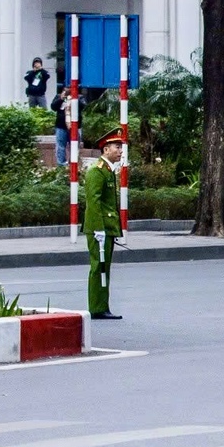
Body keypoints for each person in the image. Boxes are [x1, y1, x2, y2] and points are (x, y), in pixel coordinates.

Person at [83, 131, 125, 320]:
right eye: (117, 148)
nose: (120, 151)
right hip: (98, 228)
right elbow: (94, 202)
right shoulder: (96, 171)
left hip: (106, 227)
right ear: (106, 149)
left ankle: (102, 306)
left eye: (121, 147)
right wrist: (99, 228)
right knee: (98, 267)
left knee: (104, 267)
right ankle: (97, 307)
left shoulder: (107, 170)